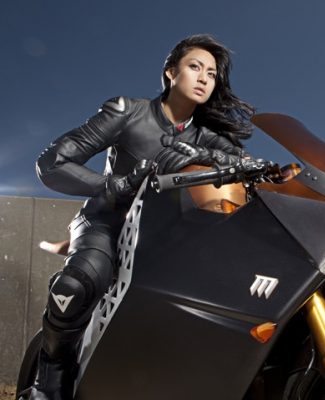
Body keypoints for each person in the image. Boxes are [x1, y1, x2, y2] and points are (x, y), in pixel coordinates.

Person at [31, 34, 255, 400]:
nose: (203, 78)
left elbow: (245, 167)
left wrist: (219, 159)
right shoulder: (127, 111)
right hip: (107, 223)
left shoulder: (211, 138)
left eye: (211, 74)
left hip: (167, 237)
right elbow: (52, 163)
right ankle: (48, 380)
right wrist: (113, 185)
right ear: (171, 72)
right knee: (78, 284)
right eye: (195, 67)